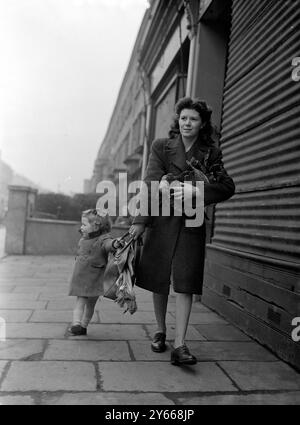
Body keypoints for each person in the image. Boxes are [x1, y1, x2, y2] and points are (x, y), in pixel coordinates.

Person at [129, 97, 235, 365]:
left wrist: (196, 190)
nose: (187, 123)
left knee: (186, 281)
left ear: (202, 124)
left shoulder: (211, 153)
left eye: (194, 119)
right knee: (158, 277)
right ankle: (160, 331)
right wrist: (140, 222)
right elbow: (150, 183)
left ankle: (180, 345)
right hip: (162, 220)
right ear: (178, 120)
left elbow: (227, 187)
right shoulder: (162, 147)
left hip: (191, 223)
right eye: (184, 118)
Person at [68, 209, 123, 336]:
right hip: (81, 276)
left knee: (90, 304)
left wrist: (115, 244)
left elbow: (109, 244)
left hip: (95, 278)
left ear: (96, 226)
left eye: (84, 224)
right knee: (80, 300)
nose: (81, 227)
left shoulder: (104, 239)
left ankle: (83, 325)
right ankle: (76, 324)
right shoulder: (85, 238)